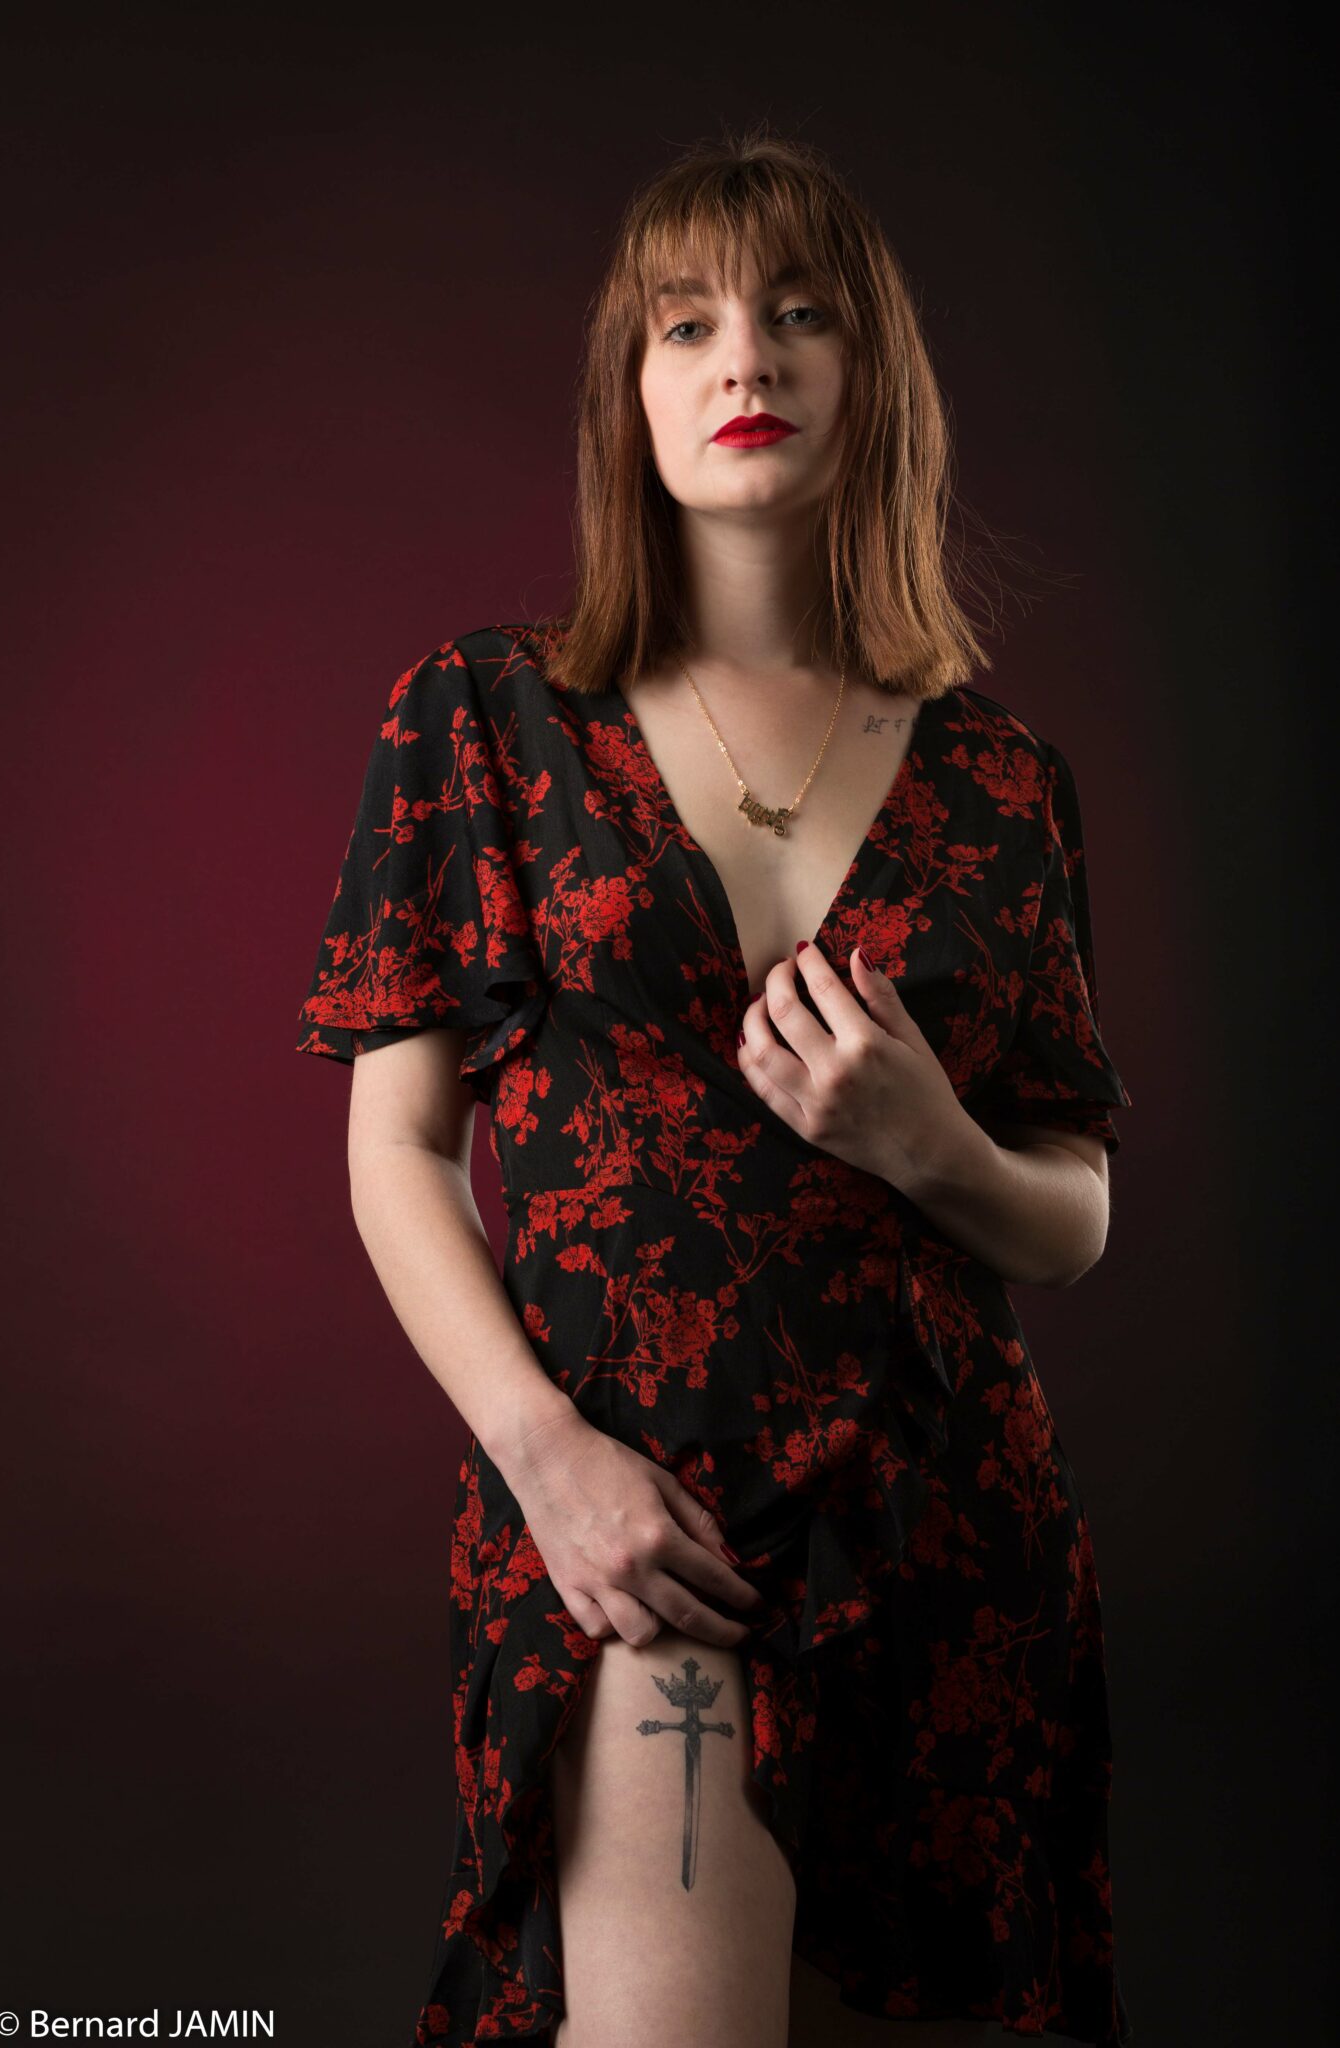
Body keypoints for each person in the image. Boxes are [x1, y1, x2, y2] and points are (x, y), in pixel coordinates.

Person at [295, 128, 1135, 2048]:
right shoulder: (482, 716)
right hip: (644, 1516)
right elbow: (398, 1149)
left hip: (953, 1527)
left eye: (798, 314)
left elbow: (1072, 1213)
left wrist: (927, 1144)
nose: (744, 357)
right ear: (631, 389)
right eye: (686, 324)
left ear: (872, 377)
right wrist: (546, 1459)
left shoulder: (1004, 780)